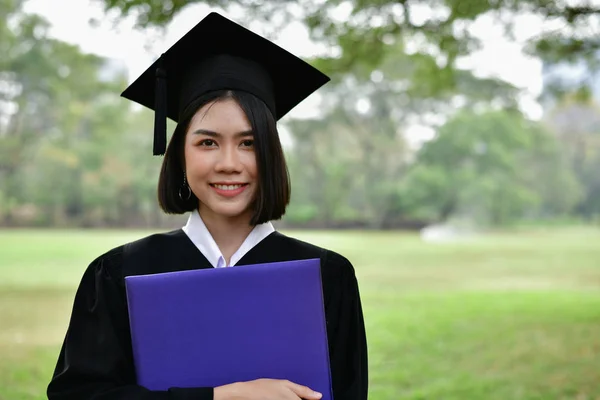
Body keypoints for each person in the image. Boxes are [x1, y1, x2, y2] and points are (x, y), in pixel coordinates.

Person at [47, 12, 368, 400]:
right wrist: (219, 396)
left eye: (248, 143)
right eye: (207, 142)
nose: (229, 162)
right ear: (179, 155)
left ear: (272, 154)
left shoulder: (327, 278)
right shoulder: (118, 274)